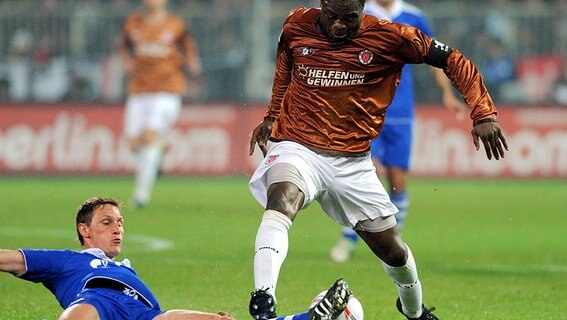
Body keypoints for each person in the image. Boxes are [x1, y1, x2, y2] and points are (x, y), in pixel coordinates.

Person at [247, 1, 508, 320]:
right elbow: (285, 65)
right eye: (332, 17)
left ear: (362, 9)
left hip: (352, 163)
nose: (340, 26)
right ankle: (263, 298)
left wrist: (483, 111)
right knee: (281, 199)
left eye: (350, 18)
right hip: (299, 146)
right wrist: (273, 115)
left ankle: (414, 311)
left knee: (393, 252)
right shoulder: (296, 24)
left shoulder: (392, 36)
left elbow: (454, 59)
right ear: (321, 6)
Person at [0, 197, 352, 320]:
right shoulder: (66, 263)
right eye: (107, 223)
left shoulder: (127, 269)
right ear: (85, 231)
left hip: (147, 315)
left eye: (120, 222)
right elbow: (9, 259)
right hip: (98, 303)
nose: (118, 229)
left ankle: (310, 318)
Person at [330, 0, 468, 263]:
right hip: (364, 109)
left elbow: (435, 58)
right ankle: (348, 239)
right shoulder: (360, 12)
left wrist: (447, 92)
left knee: (397, 180)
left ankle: (394, 239)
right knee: (361, 174)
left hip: (401, 110)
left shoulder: (414, 16)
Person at [118, 0, 203, 209]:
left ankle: (141, 196)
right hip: (139, 90)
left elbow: (189, 48)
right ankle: (158, 153)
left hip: (167, 91)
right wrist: (125, 61)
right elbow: (123, 46)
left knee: (148, 137)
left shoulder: (176, 25)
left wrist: (192, 63)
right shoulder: (133, 23)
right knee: (133, 144)